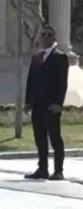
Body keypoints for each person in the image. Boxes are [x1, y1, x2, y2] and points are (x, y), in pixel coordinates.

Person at [25, 25, 70, 180]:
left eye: (49, 35)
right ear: (39, 37)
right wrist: (28, 102)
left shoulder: (60, 57)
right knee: (40, 138)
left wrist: (59, 103)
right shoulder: (36, 58)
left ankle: (58, 171)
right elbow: (30, 82)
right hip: (37, 105)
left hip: (52, 106)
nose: (46, 37)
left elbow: (62, 83)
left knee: (55, 138)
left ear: (54, 38)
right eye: (43, 34)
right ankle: (42, 168)